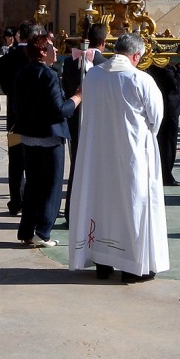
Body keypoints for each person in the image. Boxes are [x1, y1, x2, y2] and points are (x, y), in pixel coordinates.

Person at [69, 32, 167, 283]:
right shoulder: (140, 79)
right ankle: (133, 267)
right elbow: (156, 119)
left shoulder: (93, 75)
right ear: (136, 55)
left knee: (102, 202)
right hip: (132, 154)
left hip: (98, 154)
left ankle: (103, 262)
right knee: (133, 204)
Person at [12, 28, 81, 246]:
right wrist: (77, 97)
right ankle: (43, 232)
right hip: (50, 137)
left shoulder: (23, 72)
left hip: (29, 136)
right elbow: (59, 109)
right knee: (51, 186)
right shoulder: (48, 75)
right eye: (51, 48)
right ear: (42, 52)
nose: (55, 51)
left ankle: (26, 231)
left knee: (33, 185)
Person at [63, 22, 108, 222]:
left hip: (75, 121)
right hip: (96, 122)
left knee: (76, 167)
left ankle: (72, 211)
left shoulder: (70, 62)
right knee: (96, 168)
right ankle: (92, 213)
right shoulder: (106, 64)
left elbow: (66, 88)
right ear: (104, 42)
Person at [0, 22, 34, 216]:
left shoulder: (6, 59)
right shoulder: (35, 58)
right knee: (34, 160)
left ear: (19, 35)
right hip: (34, 119)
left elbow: (4, 87)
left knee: (16, 159)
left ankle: (16, 201)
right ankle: (31, 201)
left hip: (14, 117)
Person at [148, 61, 180, 186]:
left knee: (165, 143)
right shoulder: (162, 64)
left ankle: (165, 173)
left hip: (169, 107)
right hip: (169, 108)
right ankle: (166, 175)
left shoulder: (164, 64)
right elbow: (174, 83)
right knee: (168, 144)